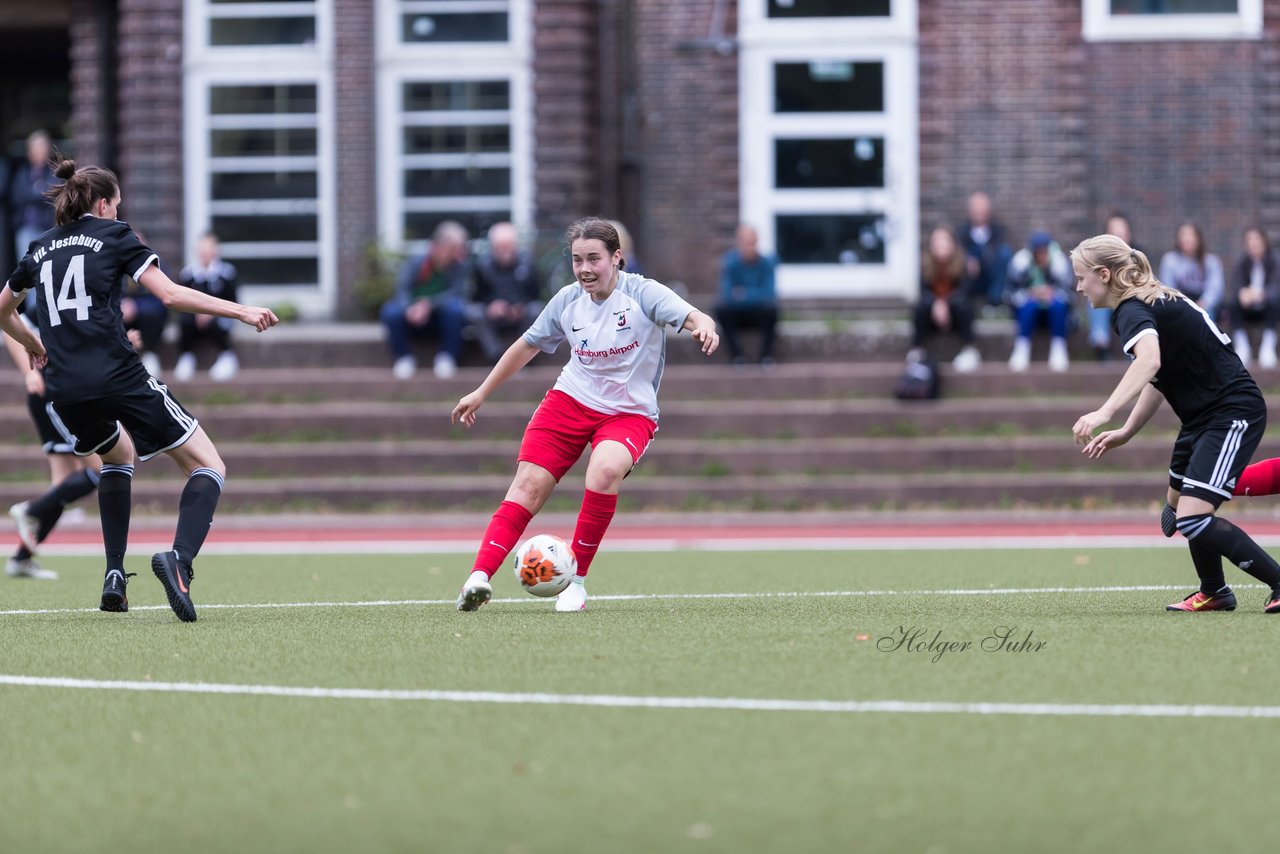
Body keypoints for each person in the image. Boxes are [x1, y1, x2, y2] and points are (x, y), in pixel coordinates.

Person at [0, 158, 279, 621]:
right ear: (103, 203)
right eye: (116, 205)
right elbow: (169, 295)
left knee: (117, 457)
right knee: (209, 464)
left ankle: (114, 575)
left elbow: (2, 309)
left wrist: (31, 341)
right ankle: (180, 561)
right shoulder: (115, 234)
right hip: (119, 377)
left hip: (65, 389)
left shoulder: (40, 247)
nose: (117, 211)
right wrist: (243, 311)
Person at [451, 217, 719, 613]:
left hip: (629, 412)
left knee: (605, 470)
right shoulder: (566, 300)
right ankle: (477, 579)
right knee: (527, 487)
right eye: (578, 260)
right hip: (569, 402)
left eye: (594, 259)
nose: (585, 270)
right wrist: (481, 392)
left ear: (617, 258)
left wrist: (703, 327)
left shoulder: (643, 293)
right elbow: (525, 346)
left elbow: (696, 316)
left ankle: (574, 582)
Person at [1071, 233, 1280, 614]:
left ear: (1103, 274)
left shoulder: (1131, 309)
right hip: (1202, 417)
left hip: (1230, 412)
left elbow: (1148, 362)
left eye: (1082, 276)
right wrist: (1127, 431)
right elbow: (1158, 375)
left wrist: (1105, 412)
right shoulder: (1149, 298)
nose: (1078, 286)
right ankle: (1214, 590)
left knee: (1192, 516)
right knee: (1183, 509)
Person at [3, 319, 100, 581]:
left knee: (64, 484)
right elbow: (8, 317)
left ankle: (22, 559)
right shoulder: (33, 280)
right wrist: (29, 372)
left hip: (67, 384)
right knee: (105, 469)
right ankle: (31, 511)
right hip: (53, 387)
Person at [380, 220, 470, 380]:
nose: (459, 254)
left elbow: (457, 293)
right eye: (455, 249)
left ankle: (447, 357)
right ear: (441, 247)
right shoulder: (416, 262)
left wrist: (429, 304)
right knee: (390, 311)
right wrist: (409, 308)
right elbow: (401, 290)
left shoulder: (459, 266)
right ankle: (403, 358)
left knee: (455, 309)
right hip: (412, 316)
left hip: (439, 317)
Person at [465, 222, 543, 363]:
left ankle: (523, 353)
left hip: (521, 316)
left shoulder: (527, 263)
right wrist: (491, 306)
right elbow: (475, 296)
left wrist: (521, 306)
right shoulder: (482, 265)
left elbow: (535, 293)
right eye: (501, 247)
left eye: (509, 246)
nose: (505, 252)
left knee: (535, 309)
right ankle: (495, 354)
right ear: (493, 247)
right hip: (493, 317)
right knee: (474, 312)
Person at [911, 225, 980, 373]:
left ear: (952, 243)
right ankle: (917, 350)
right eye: (937, 241)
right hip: (933, 316)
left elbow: (965, 291)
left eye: (944, 241)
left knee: (963, 305)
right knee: (921, 306)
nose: (940, 245)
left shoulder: (965, 264)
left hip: (955, 315)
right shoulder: (925, 265)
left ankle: (969, 349)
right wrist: (937, 303)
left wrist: (945, 303)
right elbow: (924, 291)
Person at [175, 231, 240, 382]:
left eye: (209, 248)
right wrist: (197, 313)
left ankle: (226, 355)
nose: (205, 253)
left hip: (220, 316)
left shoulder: (227, 273)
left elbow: (233, 300)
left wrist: (212, 312)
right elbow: (182, 300)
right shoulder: (188, 274)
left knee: (222, 323)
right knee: (184, 321)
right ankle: (186, 356)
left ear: (216, 250)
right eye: (202, 249)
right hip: (194, 317)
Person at [1006, 230, 1074, 373]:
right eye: (1038, 252)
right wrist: (1031, 293)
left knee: (1058, 305)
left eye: (1044, 252)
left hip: (1053, 311)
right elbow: (1010, 293)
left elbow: (1070, 294)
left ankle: (1059, 349)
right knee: (1028, 305)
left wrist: (1051, 293)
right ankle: (1022, 348)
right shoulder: (1020, 264)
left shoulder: (1059, 264)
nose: (1042, 256)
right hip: (1028, 311)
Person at [715, 223, 780, 368]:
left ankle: (766, 357)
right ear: (739, 243)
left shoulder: (767, 263)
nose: (749, 247)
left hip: (759, 313)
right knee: (721, 310)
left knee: (772, 311)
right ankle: (737, 357)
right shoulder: (730, 262)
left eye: (752, 243)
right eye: (745, 243)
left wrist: (743, 293)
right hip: (737, 313)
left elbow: (770, 293)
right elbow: (726, 294)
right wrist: (755, 294)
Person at [1087, 212, 1141, 362]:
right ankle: (1100, 342)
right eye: (1114, 231)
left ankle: (1132, 351)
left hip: (1130, 302)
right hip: (1107, 303)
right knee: (1095, 298)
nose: (1119, 235)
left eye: (1122, 231)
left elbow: (1143, 284)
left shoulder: (1138, 255)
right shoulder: (1097, 257)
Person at [1225, 226, 1280, 370]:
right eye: (1249, 240)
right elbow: (1236, 285)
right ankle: (1242, 347)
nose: (1253, 243)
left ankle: (1268, 348)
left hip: (1267, 306)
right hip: (1247, 307)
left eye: (1257, 239)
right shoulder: (1241, 261)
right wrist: (1242, 293)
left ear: (1264, 241)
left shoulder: (1274, 260)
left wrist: (1260, 294)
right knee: (1232, 303)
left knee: (1275, 302)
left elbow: (1276, 287)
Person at [121, 228, 168, 377]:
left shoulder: (155, 265)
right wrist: (122, 306)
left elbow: (163, 298)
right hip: (121, 316)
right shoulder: (113, 266)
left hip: (147, 319)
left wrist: (137, 307)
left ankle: (150, 355)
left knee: (152, 317)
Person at [1158, 222, 1224, 325]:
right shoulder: (1169, 260)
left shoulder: (1211, 261)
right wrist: (1183, 306)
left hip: (1204, 306)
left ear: (1199, 239)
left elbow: (1215, 289)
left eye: (1191, 235)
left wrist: (1203, 304)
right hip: (1179, 304)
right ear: (1178, 240)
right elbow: (1167, 288)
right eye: (1183, 235)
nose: (1187, 239)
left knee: (1207, 318)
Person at [958, 192, 1012, 308]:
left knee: (1005, 252)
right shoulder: (961, 231)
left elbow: (999, 254)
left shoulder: (997, 230)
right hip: (970, 276)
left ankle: (995, 301)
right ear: (970, 211)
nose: (980, 212)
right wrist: (967, 259)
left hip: (991, 273)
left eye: (983, 208)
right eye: (976, 208)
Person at [9, 130, 57, 262]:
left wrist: (33, 193)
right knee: (26, 266)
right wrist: (38, 192)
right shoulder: (22, 173)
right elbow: (16, 197)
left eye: (42, 147)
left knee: (46, 265)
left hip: (47, 227)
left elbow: (53, 195)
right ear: (29, 151)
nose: (38, 152)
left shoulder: (54, 172)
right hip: (25, 227)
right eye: (35, 148)